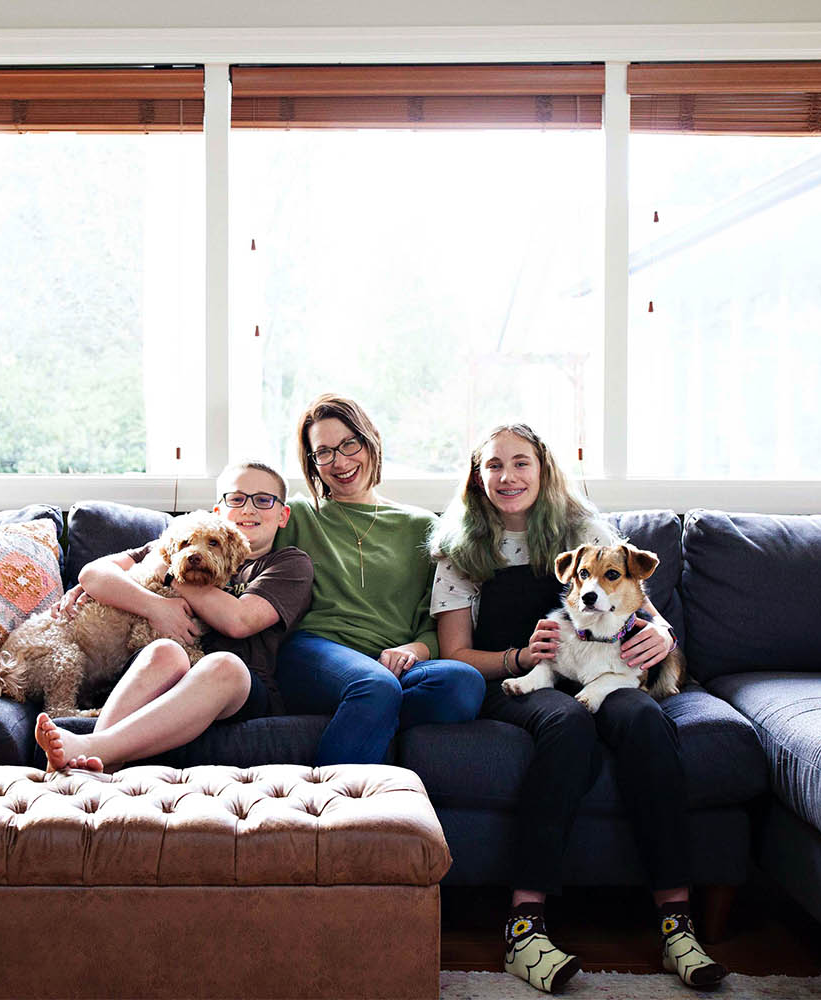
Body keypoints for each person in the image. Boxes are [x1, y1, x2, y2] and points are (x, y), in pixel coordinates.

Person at [429, 422, 727, 993]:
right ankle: (524, 928)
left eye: (521, 463)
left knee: (644, 718)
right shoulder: (458, 548)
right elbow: (456, 656)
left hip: (601, 668)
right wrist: (517, 657)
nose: (507, 476)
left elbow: (638, 605)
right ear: (476, 475)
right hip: (517, 681)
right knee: (566, 723)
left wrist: (661, 637)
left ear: (544, 469)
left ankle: (678, 924)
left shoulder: (582, 529)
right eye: (493, 465)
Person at [34, 460, 313, 772]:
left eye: (263, 500)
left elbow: (240, 621)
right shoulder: (179, 540)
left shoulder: (288, 564)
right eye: (236, 499)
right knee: (166, 651)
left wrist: (171, 573)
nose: (248, 509)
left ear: (282, 515)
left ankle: (91, 747)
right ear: (218, 510)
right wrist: (155, 606)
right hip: (157, 669)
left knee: (224, 665)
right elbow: (93, 574)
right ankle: (95, 768)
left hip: (238, 686)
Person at [271, 393, 485, 766]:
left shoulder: (421, 526)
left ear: (371, 441)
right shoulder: (300, 515)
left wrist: (414, 651)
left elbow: (435, 623)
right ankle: (328, 812)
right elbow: (232, 542)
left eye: (349, 444)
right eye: (324, 453)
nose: (340, 461)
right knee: (373, 686)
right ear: (313, 463)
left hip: (392, 666)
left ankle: (368, 712)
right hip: (315, 652)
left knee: (463, 684)